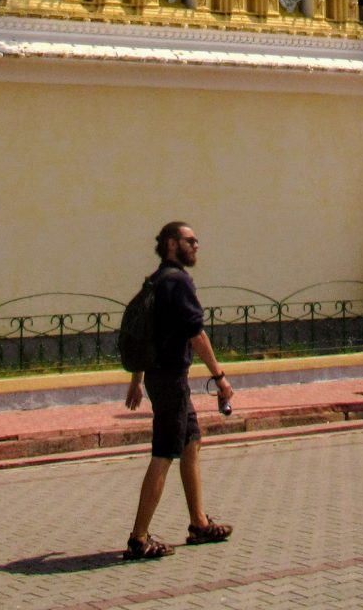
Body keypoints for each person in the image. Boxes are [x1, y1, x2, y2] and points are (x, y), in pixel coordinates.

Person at [124, 220, 234, 560]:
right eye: (190, 240)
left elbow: (147, 332)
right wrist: (220, 377)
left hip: (164, 377)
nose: (196, 245)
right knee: (163, 453)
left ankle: (198, 524)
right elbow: (195, 334)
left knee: (190, 442)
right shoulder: (178, 282)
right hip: (171, 379)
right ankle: (138, 540)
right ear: (172, 244)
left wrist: (137, 378)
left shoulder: (156, 281)